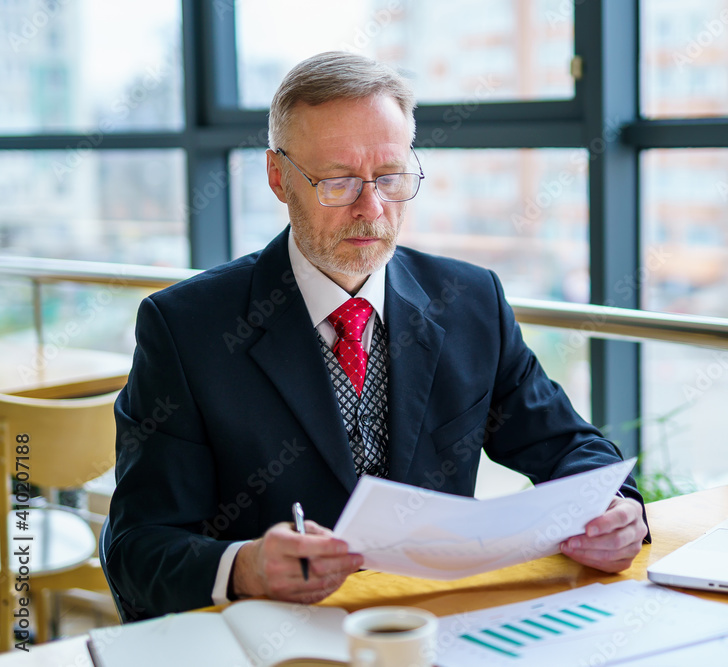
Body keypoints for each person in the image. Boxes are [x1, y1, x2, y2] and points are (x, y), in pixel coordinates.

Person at [107, 51, 647, 620]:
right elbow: (137, 549)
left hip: (435, 628)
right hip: (275, 639)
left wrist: (617, 509)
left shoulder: (471, 302)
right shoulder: (187, 327)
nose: (371, 209)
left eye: (390, 177)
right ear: (278, 177)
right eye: (337, 181)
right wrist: (244, 567)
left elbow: (569, 445)